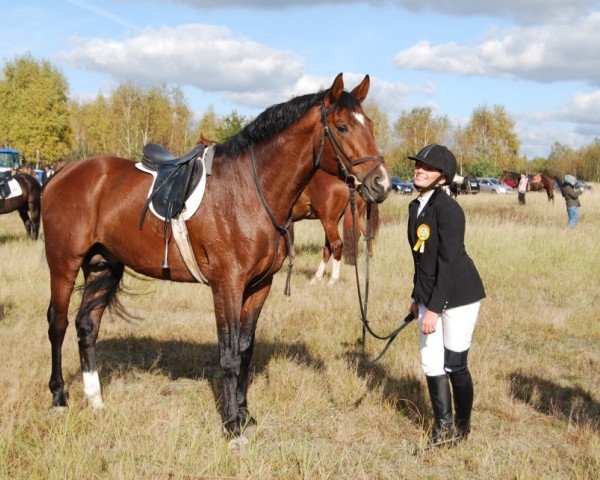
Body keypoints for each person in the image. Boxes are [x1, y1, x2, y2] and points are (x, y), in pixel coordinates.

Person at [406, 144, 486, 447]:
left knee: (454, 364)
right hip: (431, 297)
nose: (419, 170)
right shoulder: (415, 206)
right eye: (418, 165)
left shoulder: (449, 209)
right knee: (430, 363)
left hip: (460, 296)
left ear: (442, 177)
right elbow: (421, 259)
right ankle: (442, 430)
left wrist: (435, 309)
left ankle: (462, 430)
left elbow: (449, 263)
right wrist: (417, 299)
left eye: (427, 167)